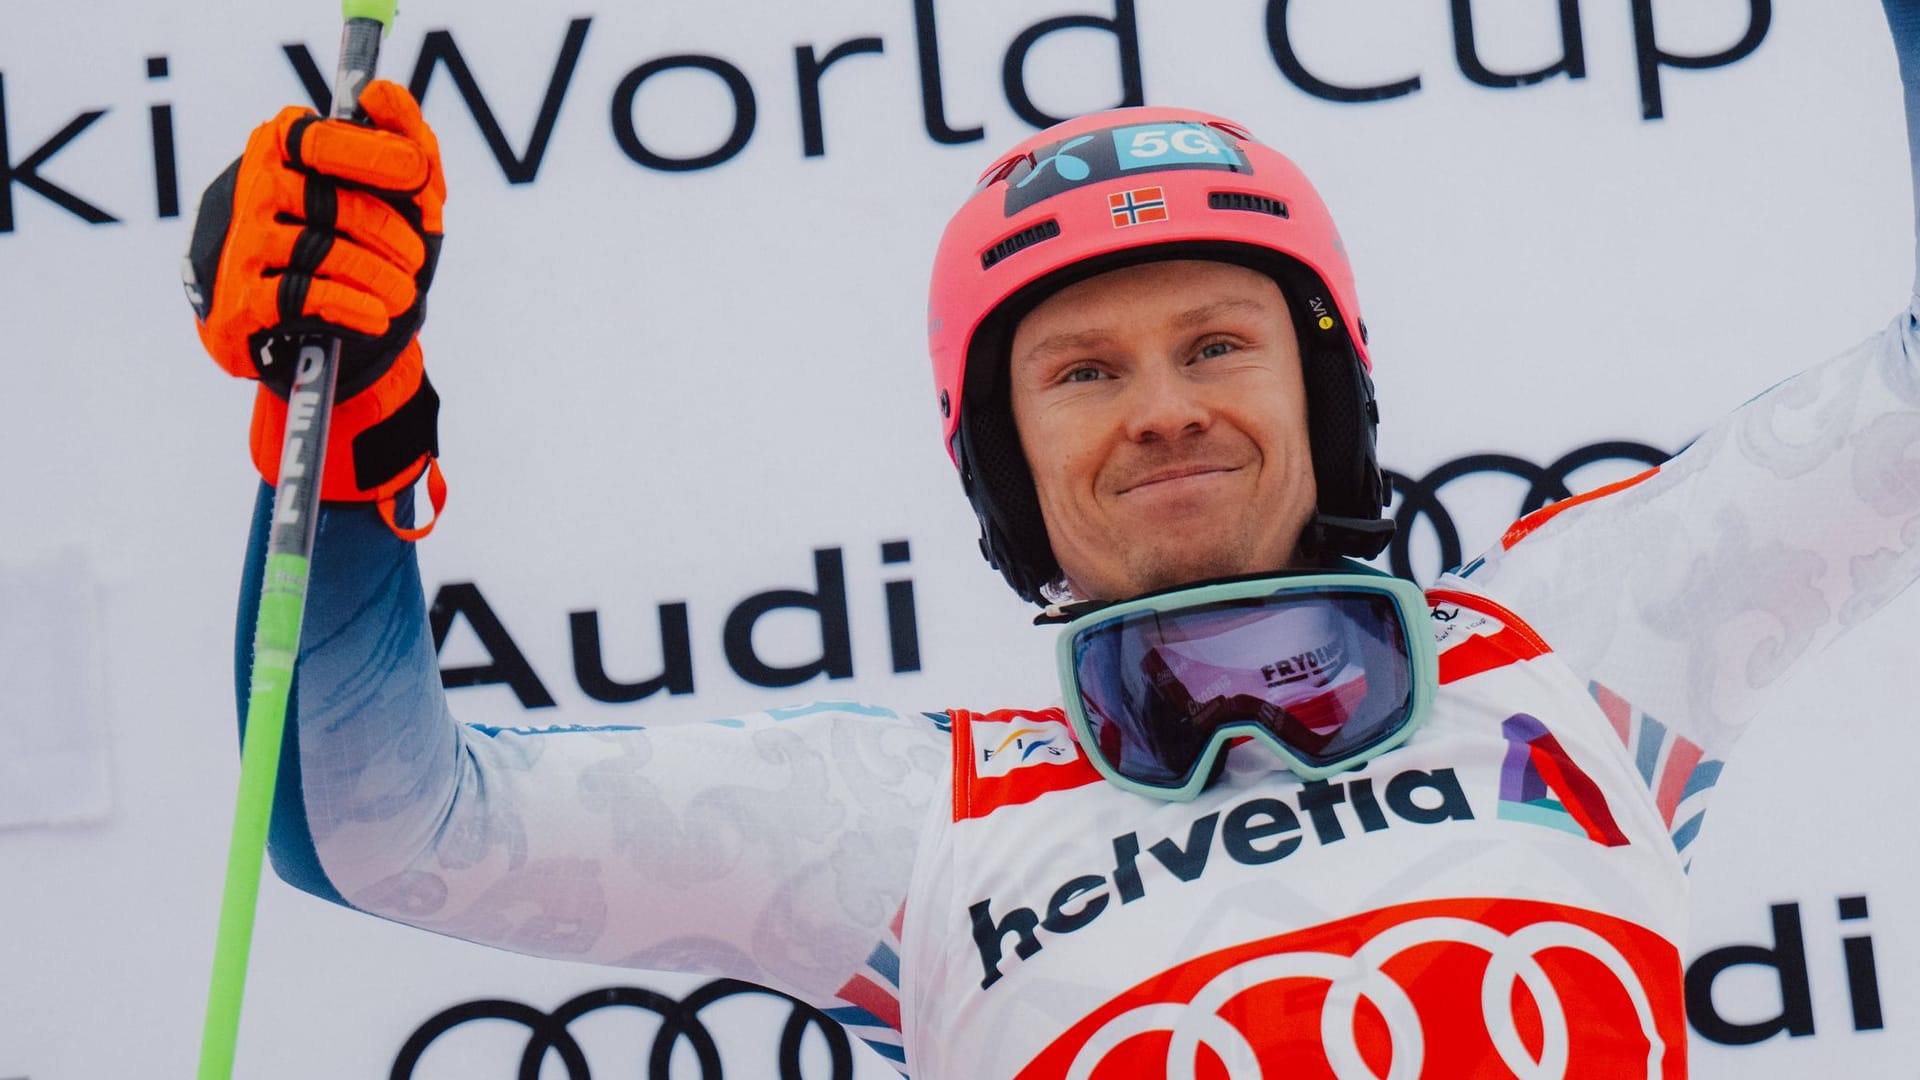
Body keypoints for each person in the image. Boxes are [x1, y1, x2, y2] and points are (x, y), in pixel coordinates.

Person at [184, 4, 1920, 1076]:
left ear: (1334, 396)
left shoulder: (1584, 646)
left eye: (1219, 342)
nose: (1162, 406)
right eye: (1082, 370)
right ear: (1002, 466)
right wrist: (343, 456)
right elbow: (379, 826)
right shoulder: (908, 830)